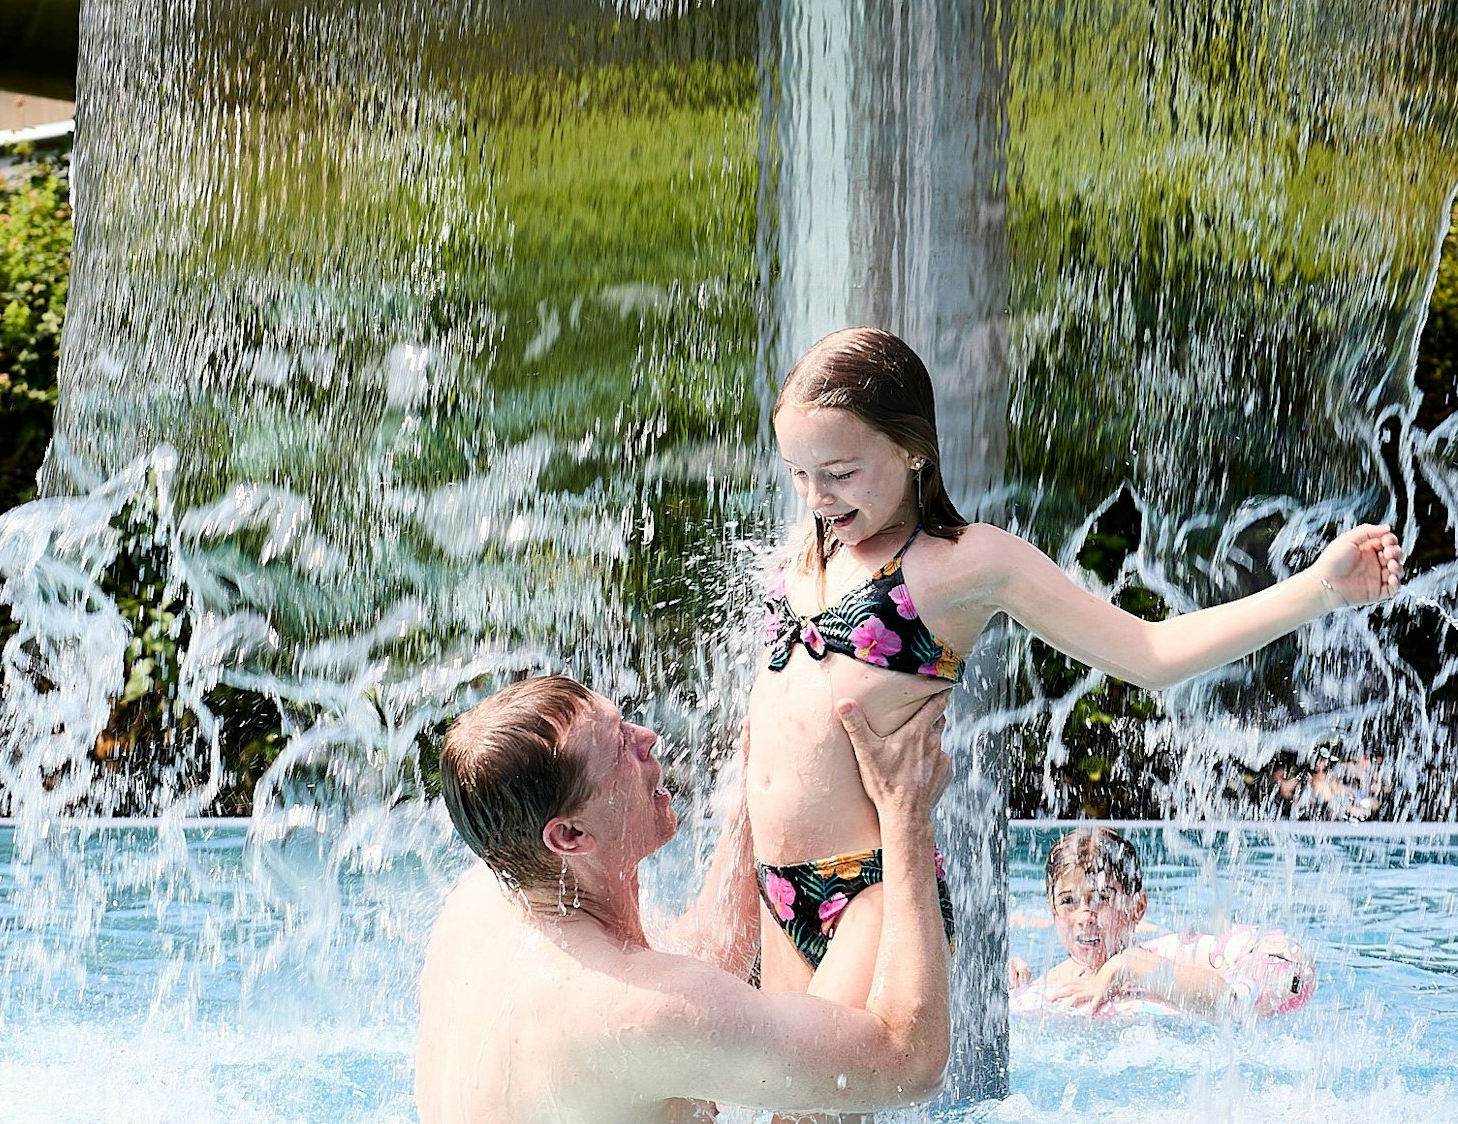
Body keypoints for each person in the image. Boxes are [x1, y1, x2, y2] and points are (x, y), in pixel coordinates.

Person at [747, 326, 1401, 1007]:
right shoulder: (813, 547)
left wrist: (1319, 589)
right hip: (776, 882)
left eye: (840, 473)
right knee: (776, 1107)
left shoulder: (962, 563)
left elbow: (1148, 653)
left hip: (868, 891)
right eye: (798, 473)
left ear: (913, 449)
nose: (816, 496)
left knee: (812, 1110)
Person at [414, 674, 954, 1124]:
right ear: (570, 837)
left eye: (625, 721)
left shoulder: (485, 900)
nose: (647, 737)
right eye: (621, 747)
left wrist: (755, 793)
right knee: (878, 915)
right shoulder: (632, 1012)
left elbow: (702, 958)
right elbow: (910, 1062)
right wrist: (905, 810)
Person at [1006, 827, 1315, 1018]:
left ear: (1137, 907)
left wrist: (1124, 966)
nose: (1085, 918)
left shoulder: (1170, 956)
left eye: (1101, 897)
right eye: (1068, 902)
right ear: (1052, 908)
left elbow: (1233, 1003)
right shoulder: (1052, 982)